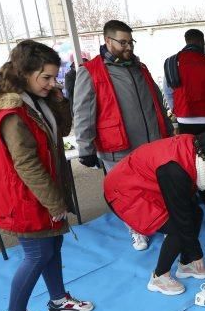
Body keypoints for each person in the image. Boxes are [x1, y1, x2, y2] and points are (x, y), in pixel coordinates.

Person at [0, 40, 94, 311]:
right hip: (25, 196)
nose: (53, 83)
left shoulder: (34, 99)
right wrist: (54, 202)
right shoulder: (12, 110)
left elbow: (60, 132)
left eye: (55, 77)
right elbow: (25, 163)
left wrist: (58, 97)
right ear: (25, 72)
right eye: (47, 77)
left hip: (40, 192)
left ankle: (58, 300)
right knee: (37, 254)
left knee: (53, 248)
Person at [73, 19, 173, 251]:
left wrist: (167, 131)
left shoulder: (140, 68)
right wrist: (85, 148)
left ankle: (165, 225)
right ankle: (137, 230)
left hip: (151, 144)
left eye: (131, 42)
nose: (129, 47)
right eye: (123, 42)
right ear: (108, 41)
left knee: (158, 186)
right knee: (127, 193)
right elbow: (83, 113)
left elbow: (157, 102)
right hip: (117, 146)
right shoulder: (90, 72)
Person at [103, 130, 205, 295]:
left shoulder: (200, 152)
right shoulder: (175, 169)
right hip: (126, 190)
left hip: (147, 182)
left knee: (196, 213)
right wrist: (197, 253)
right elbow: (181, 217)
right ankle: (159, 276)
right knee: (176, 228)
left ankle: (186, 263)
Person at [163, 28, 205, 135]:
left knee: (190, 150)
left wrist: (176, 110)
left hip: (183, 118)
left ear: (186, 41)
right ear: (201, 42)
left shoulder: (171, 62)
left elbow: (168, 92)